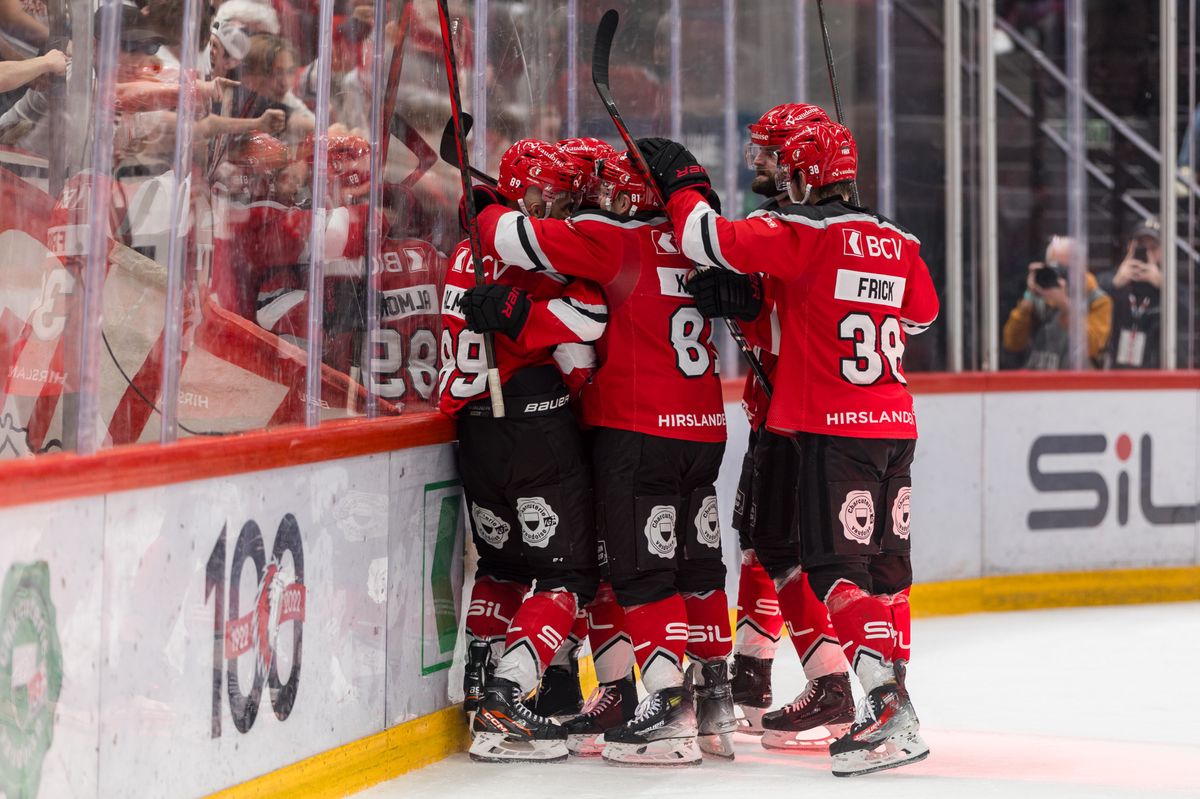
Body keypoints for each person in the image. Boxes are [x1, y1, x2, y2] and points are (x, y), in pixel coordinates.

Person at [640, 119, 939, 776]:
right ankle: (893, 699)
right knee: (887, 573)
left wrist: (684, 183)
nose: (769, 172)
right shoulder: (899, 238)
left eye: (778, 162)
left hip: (833, 429)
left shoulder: (803, 230)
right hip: (895, 423)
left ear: (805, 173)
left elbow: (704, 237)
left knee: (834, 572)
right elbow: (921, 315)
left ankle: (888, 707)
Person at [473, 151, 734, 765]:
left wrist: (483, 204)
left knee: (637, 574)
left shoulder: (612, 238)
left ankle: (667, 708)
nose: (597, 201)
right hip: (704, 427)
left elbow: (512, 238)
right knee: (697, 566)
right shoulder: (696, 241)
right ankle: (714, 700)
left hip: (634, 427)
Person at [438, 139, 607, 763]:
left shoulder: (466, 251)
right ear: (523, 192)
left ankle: (479, 685)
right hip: (531, 429)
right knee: (568, 573)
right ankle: (506, 702)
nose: (557, 206)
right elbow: (589, 319)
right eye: (548, 193)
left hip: (475, 430)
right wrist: (535, 322)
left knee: (502, 566)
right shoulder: (528, 257)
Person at [706, 102, 854, 750]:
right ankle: (752, 673)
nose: (759, 163)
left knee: (788, 550)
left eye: (769, 153)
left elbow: (802, 321)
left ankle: (835, 686)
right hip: (774, 412)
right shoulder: (785, 223)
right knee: (759, 544)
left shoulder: (809, 232)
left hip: (803, 419)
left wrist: (746, 301)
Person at [1002, 235, 1111, 370]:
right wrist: (1029, 296)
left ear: (1082, 268)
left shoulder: (1097, 300)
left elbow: (1091, 346)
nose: (1060, 277)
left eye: (1065, 270)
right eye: (1055, 269)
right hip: (1038, 376)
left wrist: (1065, 306)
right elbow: (1012, 343)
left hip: (1074, 379)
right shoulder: (1039, 296)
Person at [1100, 218, 1162, 369]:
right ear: (1130, 247)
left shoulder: (1170, 286)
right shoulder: (1110, 280)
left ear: (1162, 251)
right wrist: (1115, 284)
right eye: (1141, 247)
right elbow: (1090, 304)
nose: (1147, 253)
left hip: (1156, 367)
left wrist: (1163, 286)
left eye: (1153, 248)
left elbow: (1187, 317)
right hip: (1116, 368)